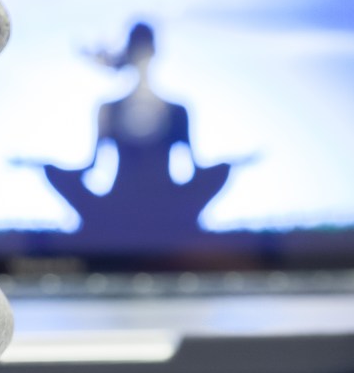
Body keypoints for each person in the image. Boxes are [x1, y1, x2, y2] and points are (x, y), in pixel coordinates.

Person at [42, 22, 231, 241]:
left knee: (220, 173)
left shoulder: (178, 110)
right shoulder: (108, 109)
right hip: (118, 207)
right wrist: (46, 167)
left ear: (154, 53)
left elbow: (195, 168)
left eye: (145, 49)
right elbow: (91, 166)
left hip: (167, 205)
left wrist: (228, 166)